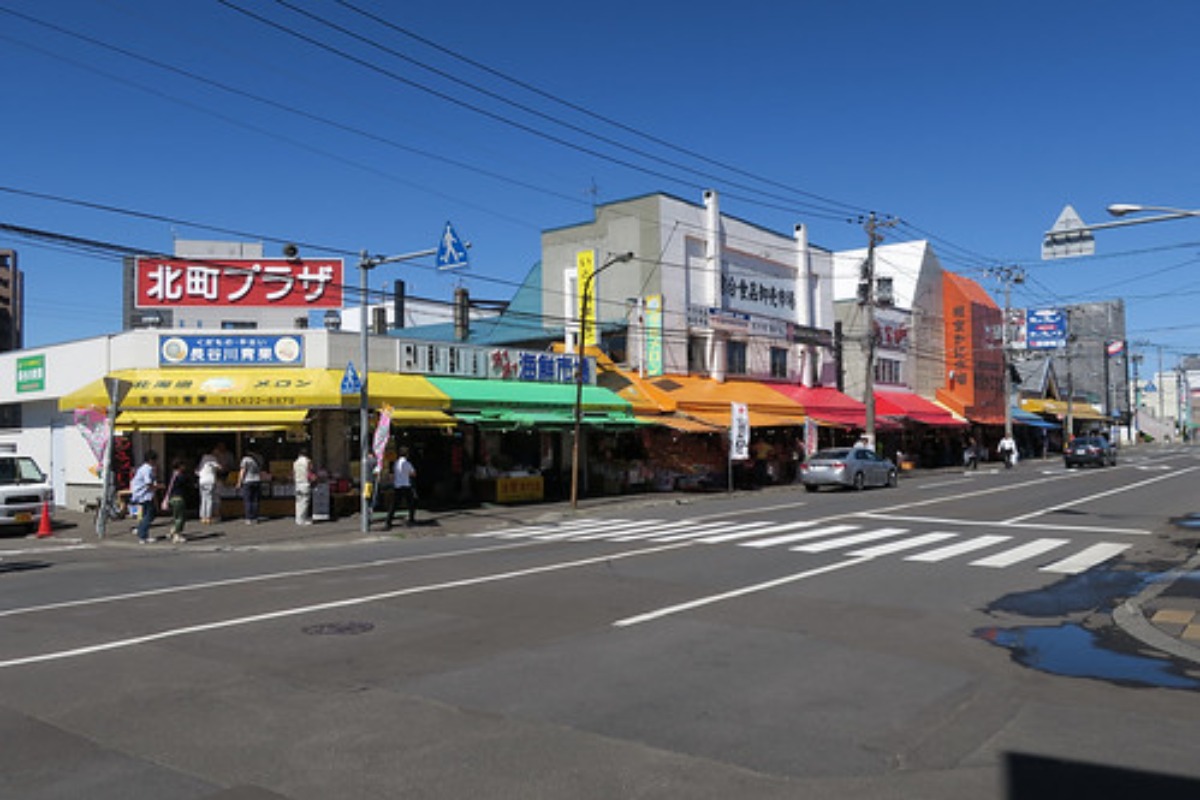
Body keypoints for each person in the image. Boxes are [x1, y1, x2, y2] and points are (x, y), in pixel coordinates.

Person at [130, 450, 160, 544]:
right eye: (155, 460)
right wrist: (159, 487)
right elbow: (148, 484)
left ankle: (141, 530)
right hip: (143, 495)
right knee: (149, 514)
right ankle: (142, 535)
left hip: (141, 494)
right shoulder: (147, 469)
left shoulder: (142, 468)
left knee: (147, 514)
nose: (156, 462)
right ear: (151, 460)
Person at [386, 447, 418, 529]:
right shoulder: (407, 463)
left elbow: (393, 474)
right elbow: (413, 473)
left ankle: (388, 521)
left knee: (394, 505)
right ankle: (411, 519)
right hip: (406, 485)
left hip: (397, 485)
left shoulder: (396, 463)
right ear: (407, 454)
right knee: (411, 503)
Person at [163, 459, 190, 543]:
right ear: (180, 466)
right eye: (183, 465)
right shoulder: (180, 476)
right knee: (180, 518)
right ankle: (177, 535)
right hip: (179, 498)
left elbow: (169, 488)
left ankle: (173, 530)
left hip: (172, 498)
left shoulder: (172, 476)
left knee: (176, 516)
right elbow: (187, 484)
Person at [236, 450, 264, 523]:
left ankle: (249, 518)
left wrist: (239, 482)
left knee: (248, 500)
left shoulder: (245, 459)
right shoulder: (259, 458)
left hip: (247, 481)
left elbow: (243, 471)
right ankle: (255, 517)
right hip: (257, 480)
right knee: (255, 500)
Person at [196, 447, 222, 524]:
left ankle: (202, 517)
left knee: (203, 498)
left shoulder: (203, 458)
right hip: (210, 480)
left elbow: (197, 471)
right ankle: (208, 517)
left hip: (202, 481)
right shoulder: (212, 458)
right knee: (209, 499)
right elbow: (220, 467)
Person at [293, 449, 313, 526]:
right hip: (305, 483)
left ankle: (298, 519)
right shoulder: (307, 461)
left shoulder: (295, 462)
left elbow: (294, 473)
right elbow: (310, 471)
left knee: (298, 502)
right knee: (304, 502)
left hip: (297, 483)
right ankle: (303, 519)